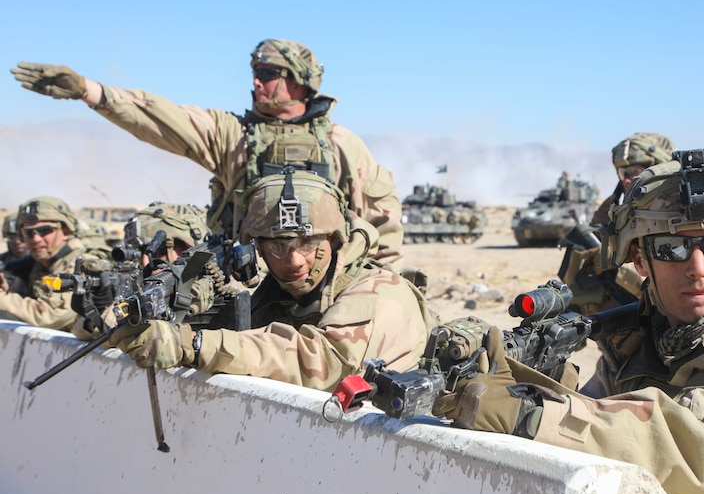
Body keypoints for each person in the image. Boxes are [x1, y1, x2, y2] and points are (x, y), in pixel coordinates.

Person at [432, 150, 704, 494]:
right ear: (639, 260)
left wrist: (529, 414)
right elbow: (596, 422)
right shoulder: (647, 342)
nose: (700, 267)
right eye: (672, 248)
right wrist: (541, 382)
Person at [11, 39, 405, 264]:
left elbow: (381, 226)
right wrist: (89, 91)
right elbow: (161, 117)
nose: (255, 80)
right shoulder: (232, 135)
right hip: (243, 279)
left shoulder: (341, 143)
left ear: (300, 83)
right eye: (255, 72)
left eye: (268, 74)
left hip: (318, 281)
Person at [107, 169, 434, 392]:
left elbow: (323, 361)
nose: (293, 261)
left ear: (333, 239)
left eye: (307, 244)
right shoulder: (276, 292)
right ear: (257, 247)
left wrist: (190, 345)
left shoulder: (377, 289)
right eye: (276, 246)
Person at [559, 132, 675, 314]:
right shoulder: (617, 209)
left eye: (635, 172)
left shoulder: (679, 207)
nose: (627, 179)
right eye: (624, 173)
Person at [70, 202, 212, 341]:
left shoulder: (215, 286)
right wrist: (100, 309)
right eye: (139, 253)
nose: (145, 262)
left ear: (189, 245)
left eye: (158, 250)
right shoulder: (149, 287)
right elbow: (80, 330)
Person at [0, 197, 110, 330]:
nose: (36, 239)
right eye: (28, 233)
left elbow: (49, 317)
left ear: (65, 231)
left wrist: (4, 300)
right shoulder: (39, 263)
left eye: (44, 230)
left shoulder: (83, 265)